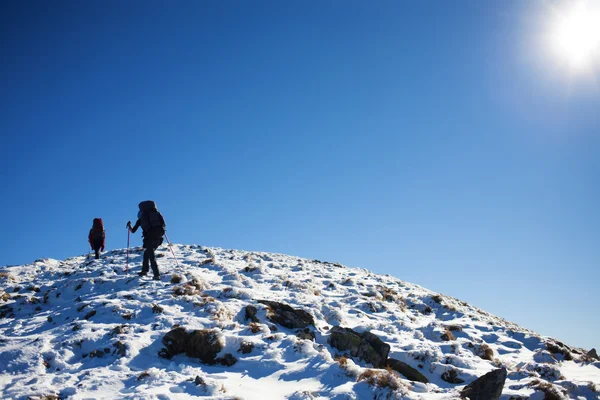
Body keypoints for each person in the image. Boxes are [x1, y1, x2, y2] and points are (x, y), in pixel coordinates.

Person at [127, 201, 166, 280]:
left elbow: (133, 231)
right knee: (146, 253)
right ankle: (144, 271)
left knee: (151, 256)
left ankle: (156, 275)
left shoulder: (141, 219)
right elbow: (163, 225)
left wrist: (129, 226)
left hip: (149, 238)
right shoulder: (157, 214)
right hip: (158, 238)